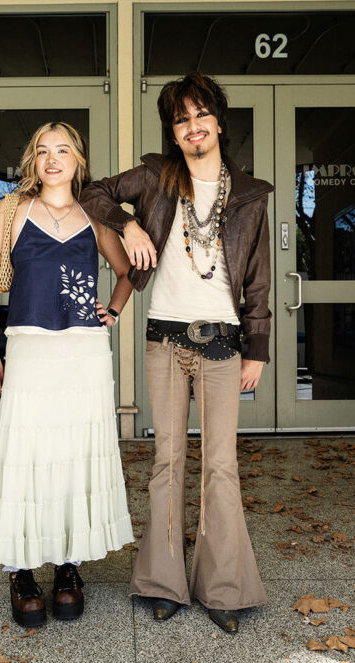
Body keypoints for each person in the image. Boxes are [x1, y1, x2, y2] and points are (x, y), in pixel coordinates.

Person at [79, 72, 272, 634]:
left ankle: (225, 587)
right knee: (167, 462)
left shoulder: (252, 196)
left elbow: (259, 281)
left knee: (220, 467)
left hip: (223, 343)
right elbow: (94, 192)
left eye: (200, 114)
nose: (192, 126)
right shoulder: (155, 177)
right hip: (164, 339)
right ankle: (163, 582)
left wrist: (256, 349)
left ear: (218, 120)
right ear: (173, 128)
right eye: (181, 118)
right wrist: (129, 222)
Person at [0, 121, 135, 628]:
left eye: (62, 150)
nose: (52, 158)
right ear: (32, 160)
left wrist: (113, 308)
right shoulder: (11, 210)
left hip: (85, 352)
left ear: (78, 159)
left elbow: (128, 271)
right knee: (26, 454)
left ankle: (69, 568)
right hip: (30, 348)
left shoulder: (96, 213)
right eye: (42, 150)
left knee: (73, 457)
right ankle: (20, 570)